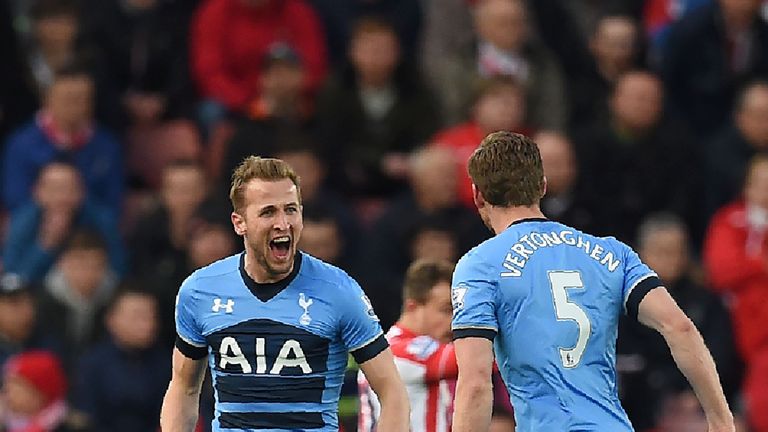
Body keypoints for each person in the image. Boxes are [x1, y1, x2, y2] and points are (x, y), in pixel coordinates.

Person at [450, 132, 733, 431]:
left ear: (477, 194)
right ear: (542, 186)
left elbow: (476, 384)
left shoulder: (479, 266)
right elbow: (680, 327)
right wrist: (720, 419)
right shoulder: (611, 253)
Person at [160, 156, 409, 431]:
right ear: (239, 223)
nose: (283, 223)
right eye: (268, 212)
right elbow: (183, 389)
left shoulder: (339, 291)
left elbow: (392, 392)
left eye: (290, 210)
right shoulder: (200, 291)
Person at [358, 259, 458, 432]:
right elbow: (478, 360)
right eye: (446, 310)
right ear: (413, 307)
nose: (454, 322)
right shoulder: (396, 352)